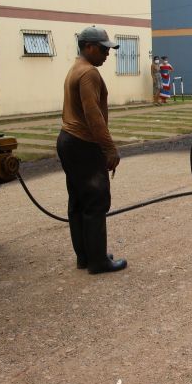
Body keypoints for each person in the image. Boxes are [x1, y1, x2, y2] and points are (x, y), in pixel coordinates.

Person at [56, 26, 127, 274]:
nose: (107, 54)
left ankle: (86, 256)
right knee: (96, 201)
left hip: (68, 140)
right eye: (103, 49)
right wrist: (109, 149)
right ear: (89, 47)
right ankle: (98, 261)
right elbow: (93, 115)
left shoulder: (75, 68)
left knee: (78, 200)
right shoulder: (89, 73)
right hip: (83, 143)